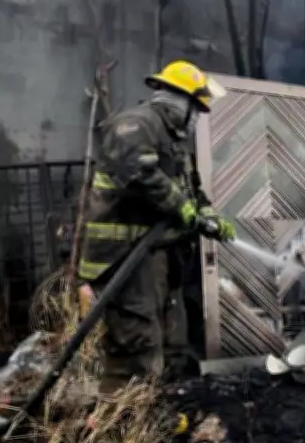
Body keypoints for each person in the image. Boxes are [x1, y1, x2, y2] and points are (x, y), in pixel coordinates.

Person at [77, 60, 236, 394]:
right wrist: (184, 209)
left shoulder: (172, 139)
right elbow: (139, 175)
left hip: (160, 258)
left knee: (170, 342)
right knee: (138, 348)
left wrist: (207, 215)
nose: (197, 120)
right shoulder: (135, 125)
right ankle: (122, 431)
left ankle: (157, 417)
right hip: (127, 259)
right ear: (180, 102)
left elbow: (189, 189)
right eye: (197, 109)